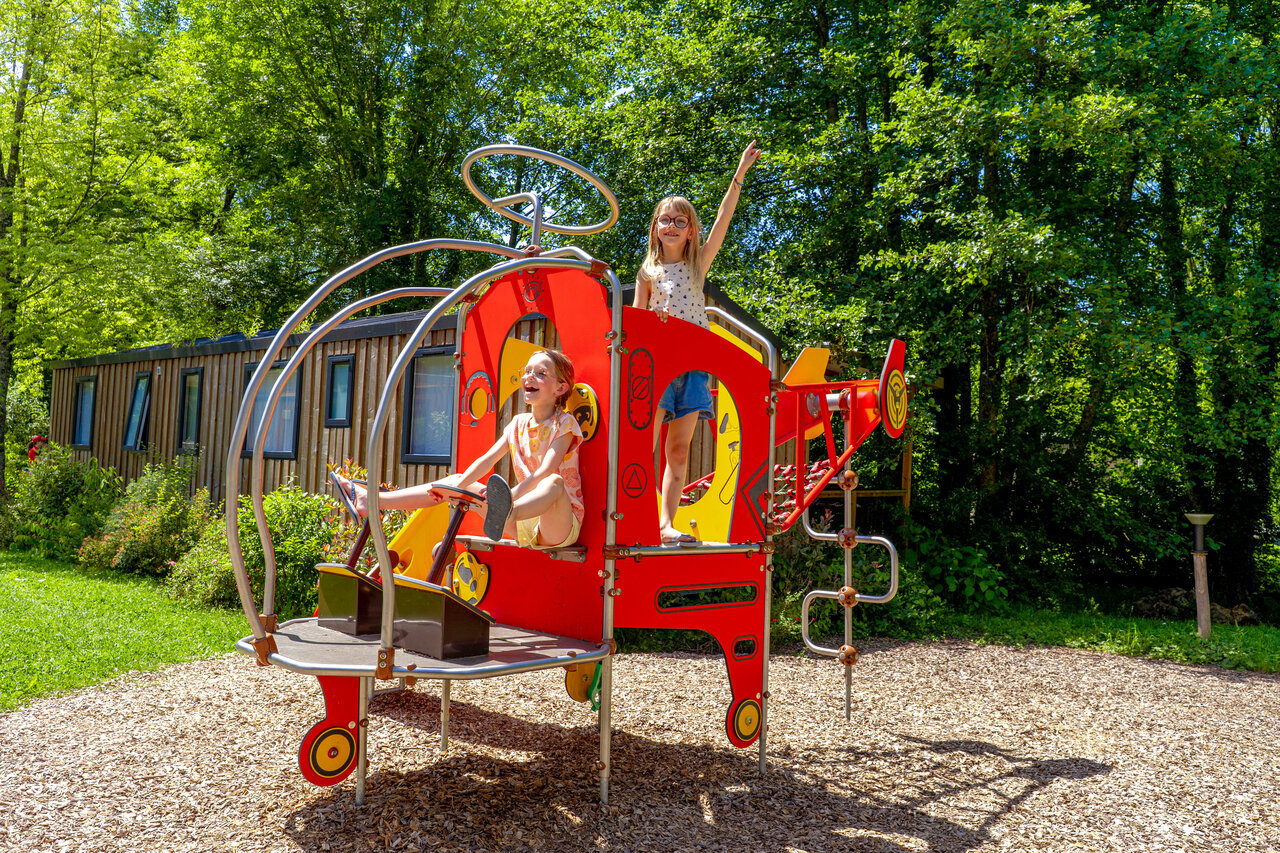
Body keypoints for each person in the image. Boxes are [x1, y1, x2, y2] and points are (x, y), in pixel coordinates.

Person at [632, 140, 762, 545]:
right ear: (655, 227)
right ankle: (637, 516)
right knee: (642, 445)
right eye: (664, 220)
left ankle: (665, 524)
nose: (670, 226)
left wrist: (739, 174)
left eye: (680, 221)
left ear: (691, 232)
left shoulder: (696, 265)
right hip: (656, 366)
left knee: (680, 449)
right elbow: (636, 321)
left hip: (691, 367)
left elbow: (724, 218)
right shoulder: (647, 273)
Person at [336, 349, 584, 549]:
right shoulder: (517, 423)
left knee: (553, 481)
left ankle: (506, 510)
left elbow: (545, 471)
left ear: (560, 388)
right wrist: (455, 488)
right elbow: (487, 460)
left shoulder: (564, 424)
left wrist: (510, 499)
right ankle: (373, 501)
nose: (530, 377)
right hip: (519, 523)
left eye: (541, 373)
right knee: (455, 480)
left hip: (558, 523)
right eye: (527, 371)